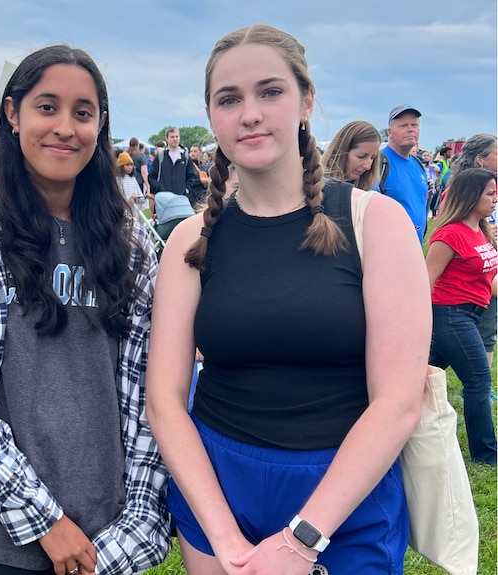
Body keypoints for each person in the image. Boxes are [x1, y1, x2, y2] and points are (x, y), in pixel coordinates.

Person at [145, 24, 430, 575]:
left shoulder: (376, 223)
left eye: (270, 91)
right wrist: (223, 536)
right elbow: (165, 399)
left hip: (343, 497)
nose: (250, 113)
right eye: (229, 99)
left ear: (306, 101)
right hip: (218, 486)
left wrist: (301, 540)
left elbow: (397, 402)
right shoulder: (191, 239)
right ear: (211, 117)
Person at [0, 44, 169, 575]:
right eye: (47, 107)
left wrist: (130, 537)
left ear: (100, 126)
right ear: (13, 114)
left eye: (83, 113)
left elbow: (154, 400)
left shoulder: (135, 246)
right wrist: (45, 521)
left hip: (107, 540)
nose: (65, 128)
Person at [426, 168, 498, 465]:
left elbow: (490, 281)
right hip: (451, 316)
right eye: (490, 194)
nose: (495, 199)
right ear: (470, 197)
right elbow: (424, 282)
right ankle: (487, 456)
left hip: (469, 315)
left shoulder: (480, 230)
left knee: (415, 381)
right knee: (479, 381)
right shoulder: (450, 234)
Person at [445, 134, 498, 365]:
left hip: (488, 263)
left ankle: (483, 384)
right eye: (496, 154)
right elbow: (447, 230)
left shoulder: (492, 190)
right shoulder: (457, 192)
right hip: (467, 280)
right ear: (479, 160)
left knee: (487, 331)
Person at [380, 105, 429, 243]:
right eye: (403, 125)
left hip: (415, 250)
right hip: (387, 251)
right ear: (389, 132)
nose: (410, 129)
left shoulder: (418, 165)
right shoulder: (379, 163)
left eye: (415, 125)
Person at [148, 127, 205, 205]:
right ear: (167, 139)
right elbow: (151, 176)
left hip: (181, 198)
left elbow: (191, 176)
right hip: (164, 199)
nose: (175, 139)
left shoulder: (185, 157)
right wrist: (159, 189)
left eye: (177, 136)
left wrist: (186, 190)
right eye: (172, 137)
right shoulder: (160, 157)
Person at [320, 120, 382, 190]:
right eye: (361, 156)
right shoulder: (316, 186)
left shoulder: (371, 187)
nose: (368, 166)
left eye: (372, 158)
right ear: (342, 151)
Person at [116, 150, 142, 215]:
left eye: (131, 165)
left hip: (135, 211)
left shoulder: (132, 179)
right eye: (127, 165)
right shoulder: (118, 180)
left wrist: (137, 202)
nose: (130, 167)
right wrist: (129, 200)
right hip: (123, 212)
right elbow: (118, 199)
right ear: (121, 166)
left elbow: (141, 197)